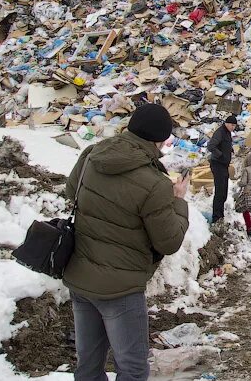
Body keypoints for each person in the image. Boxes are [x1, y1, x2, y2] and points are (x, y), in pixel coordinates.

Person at [64, 103, 190, 381]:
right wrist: (178, 201)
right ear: (159, 140)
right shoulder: (154, 183)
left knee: (88, 366)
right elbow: (169, 241)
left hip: (80, 277)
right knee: (132, 368)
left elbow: (72, 190)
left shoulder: (92, 154)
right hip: (120, 288)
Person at [207, 115, 237, 223]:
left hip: (224, 166)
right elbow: (211, 146)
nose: (233, 127)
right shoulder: (220, 132)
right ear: (227, 123)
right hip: (218, 165)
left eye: (235, 126)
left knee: (224, 192)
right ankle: (216, 218)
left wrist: (230, 150)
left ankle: (221, 215)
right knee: (219, 192)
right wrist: (220, 155)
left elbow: (224, 144)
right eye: (232, 125)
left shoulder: (227, 133)